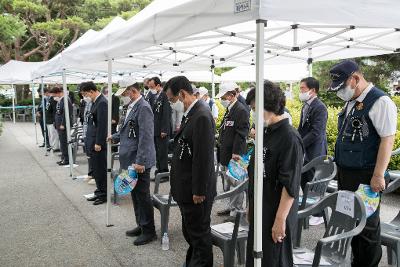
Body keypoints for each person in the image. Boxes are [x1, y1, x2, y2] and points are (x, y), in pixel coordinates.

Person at [328, 60, 397, 267]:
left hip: (366, 175)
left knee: (367, 228)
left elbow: (387, 139)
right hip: (347, 173)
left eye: (342, 87)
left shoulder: (380, 101)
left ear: (355, 79)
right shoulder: (353, 101)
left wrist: (378, 175)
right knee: (350, 221)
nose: (340, 92)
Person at [245, 81, 304, 267]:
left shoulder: (289, 137)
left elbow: (290, 184)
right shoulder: (266, 132)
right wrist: (251, 205)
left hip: (276, 210)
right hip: (261, 206)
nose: (253, 112)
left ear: (269, 105)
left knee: (274, 259)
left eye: (255, 108)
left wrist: (280, 220)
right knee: (257, 257)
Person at [165, 76, 216, 267]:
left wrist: (199, 191)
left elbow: (203, 158)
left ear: (182, 94)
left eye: (172, 99)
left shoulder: (201, 115)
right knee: (191, 233)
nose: (172, 104)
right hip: (186, 187)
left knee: (199, 234)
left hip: (196, 192)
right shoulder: (192, 113)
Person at [108, 82, 157, 246]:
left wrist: (140, 161)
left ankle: (149, 231)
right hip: (130, 158)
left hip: (138, 160)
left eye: (125, 94)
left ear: (133, 91)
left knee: (142, 196)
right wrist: (115, 137)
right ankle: (141, 224)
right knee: (135, 194)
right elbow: (128, 130)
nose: (123, 97)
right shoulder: (132, 106)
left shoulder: (143, 107)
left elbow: (146, 136)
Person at [216, 82, 250, 221]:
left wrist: (236, 153)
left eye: (223, 97)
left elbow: (241, 133)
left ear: (231, 95)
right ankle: (231, 207)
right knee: (230, 182)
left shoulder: (240, 110)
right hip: (226, 152)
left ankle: (236, 212)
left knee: (237, 183)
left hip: (235, 154)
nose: (222, 100)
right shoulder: (231, 109)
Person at [298, 77, 328, 226]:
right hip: (305, 150)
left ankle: (319, 213)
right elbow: (301, 128)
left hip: (315, 151)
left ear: (313, 90)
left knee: (315, 183)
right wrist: (296, 141)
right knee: (305, 180)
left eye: (303, 88)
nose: (300, 91)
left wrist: (300, 144)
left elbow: (317, 132)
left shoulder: (320, 107)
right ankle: (311, 209)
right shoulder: (306, 106)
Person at [80, 82, 108, 205]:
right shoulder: (95, 102)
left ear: (91, 91)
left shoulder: (102, 102)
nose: (86, 96)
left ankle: (103, 194)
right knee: (96, 169)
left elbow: (102, 125)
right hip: (92, 139)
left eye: (86, 94)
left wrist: (99, 142)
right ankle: (99, 191)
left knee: (100, 170)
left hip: (98, 143)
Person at [148, 77, 171, 175]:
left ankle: (164, 171)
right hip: (155, 128)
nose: (151, 89)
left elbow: (166, 113)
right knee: (157, 151)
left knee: (162, 152)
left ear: (158, 85)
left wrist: (164, 129)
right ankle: (159, 168)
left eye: (152, 87)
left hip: (162, 130)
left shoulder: (164, 95)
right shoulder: (156, 96)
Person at [51, 86, 73, 166]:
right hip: (59, 124)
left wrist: (63, 124)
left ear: (58, 93)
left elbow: (67, 113)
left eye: (54, 94)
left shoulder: (66, 99)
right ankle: (63, 158)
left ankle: (66, 159)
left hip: (62, 124)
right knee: (62, 142)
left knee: (64, 142)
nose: (54, 96)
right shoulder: (61, 100)